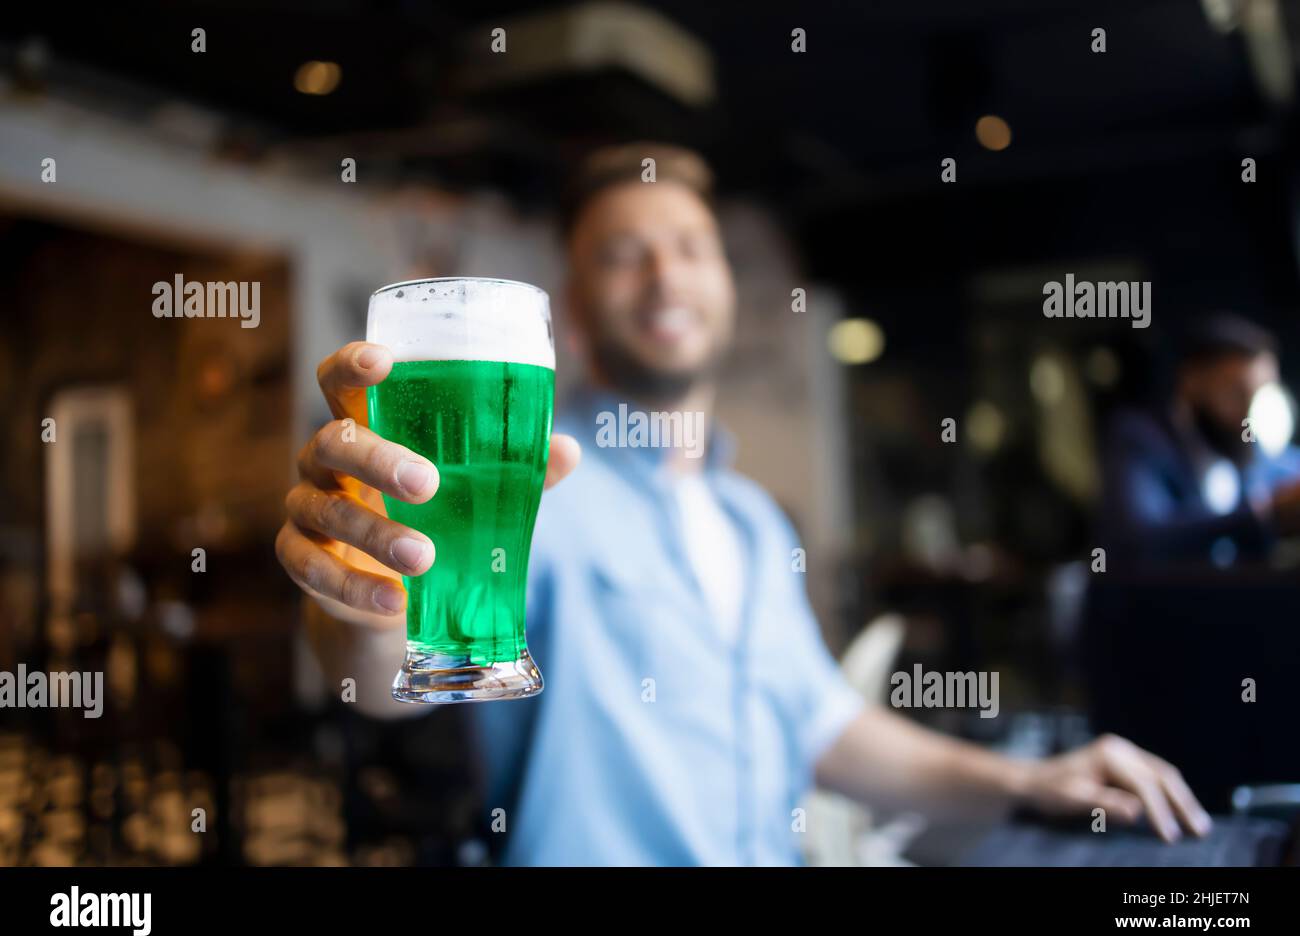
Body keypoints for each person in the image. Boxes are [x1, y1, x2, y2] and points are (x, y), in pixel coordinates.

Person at [276, 142, 1210, 865]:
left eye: (689, 248)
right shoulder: (532, 485)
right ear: (572, 303)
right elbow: (378, 678)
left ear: (725, 281)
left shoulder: (753, 523)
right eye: (623, 255)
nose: (664, 276)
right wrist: (358, 600)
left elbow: (821, 727)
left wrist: (1031, 781)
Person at [1098, 313, 1300, 568]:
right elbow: (1141, 539)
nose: (1249, 414)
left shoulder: (1258, 450)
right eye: (1235, 393)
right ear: (1191, 383)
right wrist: (1264, 515)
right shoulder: (1140, 439)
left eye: (1261, 396)